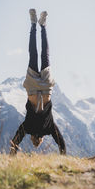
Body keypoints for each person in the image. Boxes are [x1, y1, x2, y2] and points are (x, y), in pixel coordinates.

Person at [10, 9, 66, 155]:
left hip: (46, 88)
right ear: (33, 139)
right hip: (33, 88)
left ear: (40, 140)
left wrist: (64, 155)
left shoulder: (49, 128)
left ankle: (42, 25)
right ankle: (34, 24)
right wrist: (11, 154)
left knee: (45, 55)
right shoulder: (27, 128)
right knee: (33, 55)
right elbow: (15, 140)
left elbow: (61, 143)